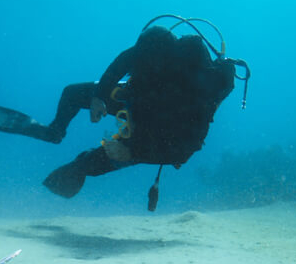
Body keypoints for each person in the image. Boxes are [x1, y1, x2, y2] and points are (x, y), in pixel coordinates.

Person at [42, 16, 249, 210]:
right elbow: (123, 61)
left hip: (158, 139)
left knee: (85, 163)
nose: (138, 72)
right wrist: (99, 95)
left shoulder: (195, 97)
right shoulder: (150, 55)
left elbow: (185, 151)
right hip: (137, 102)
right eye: (138, 67)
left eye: (145, 71)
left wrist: (133, 153)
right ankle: (55, 132)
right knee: (72, 94)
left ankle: (77, 171)